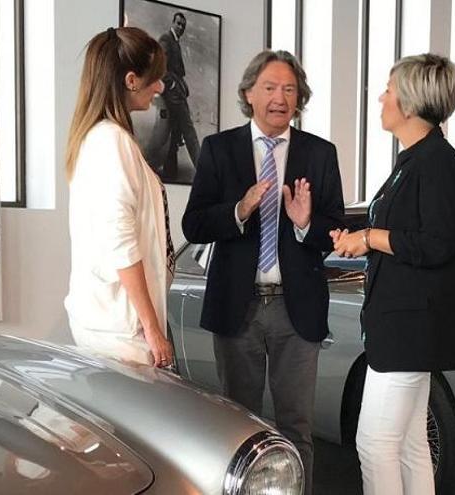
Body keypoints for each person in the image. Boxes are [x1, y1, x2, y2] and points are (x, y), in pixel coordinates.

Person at [181, 50, 344, 494]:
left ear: (300, 98)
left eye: (289, 89)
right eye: (270, 87)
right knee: (237, 427)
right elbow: (193, 224)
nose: (280, 98)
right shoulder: (219, 149)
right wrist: (239, 209)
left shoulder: (320, 153)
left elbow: (338, 230)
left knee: (297, 428)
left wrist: (306, 223)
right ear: (249, 93)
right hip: (239, 306)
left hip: (298, 310)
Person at [331, 53, 455, 495]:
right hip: (402, 328)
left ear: (408, 102)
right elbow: (409, 232)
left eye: (388, 89)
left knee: (374, 444)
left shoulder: (436, 162)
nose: (381, 97)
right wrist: (359, 235)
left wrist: (370, 237)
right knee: (409, 445)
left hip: (410, 330)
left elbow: (436, 243)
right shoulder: (415, 160)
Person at [63, 27, 175, 369]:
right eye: (154, 79)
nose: (159, 88)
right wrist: (152, 329)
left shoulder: (97, 138)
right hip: (122, 331)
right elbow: (120, 242)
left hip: (109, 322)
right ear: (130, 80)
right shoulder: (112, 141)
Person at [159, 12, 200, 178]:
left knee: (176, 133)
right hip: (173, 93)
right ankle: (204, 171)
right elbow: (159, 64)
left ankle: (170, 171)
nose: (181, 27)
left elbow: (179, 69)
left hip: (177, 90)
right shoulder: (166, 39)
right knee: (188, 129)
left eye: (183, 25)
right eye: (178, 23)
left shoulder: (175, 41)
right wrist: (171, 83)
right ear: (173, 22)